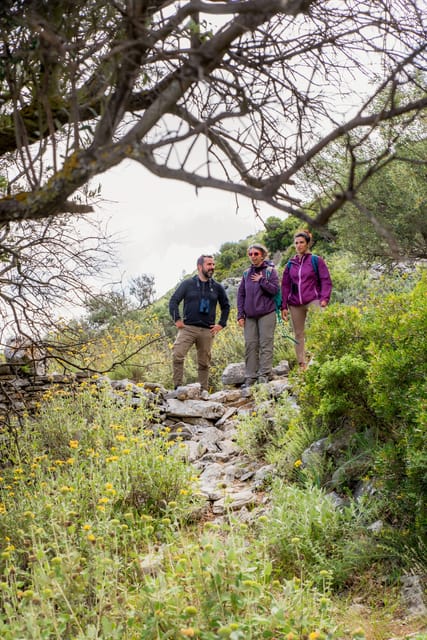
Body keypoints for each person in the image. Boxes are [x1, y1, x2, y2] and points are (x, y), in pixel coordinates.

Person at [169, 254, 230, 390]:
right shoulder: (187, 284)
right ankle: (178, 388)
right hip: (188, 328)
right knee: (177, 354)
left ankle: (203, 391)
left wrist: (221, 324)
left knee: (204, 363)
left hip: (207, 330)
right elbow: (173, 301)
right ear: (199, 266)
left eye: (213, 264)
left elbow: (226, 306)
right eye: (209, 264)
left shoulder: (217, 287)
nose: (212, 267)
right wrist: (177, 319)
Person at [281, 230, 332, 370]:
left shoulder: (316, 260)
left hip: (314, 299)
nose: (298, 245)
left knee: (321, 328)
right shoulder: (290, 264)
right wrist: (283, 306)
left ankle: (321, 358)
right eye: (296, 243)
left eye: (301, 242)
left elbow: (326, 280)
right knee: (298, 333)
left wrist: (324, 298)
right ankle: (302, 364)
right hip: (295, 303)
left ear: (307, 243)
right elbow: (285, 285)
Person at [237, 243, 280, 386]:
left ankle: (264, 375)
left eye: (256, 254)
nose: (253, 256)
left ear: (262, 255)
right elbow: (241, 294)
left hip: (267, 313)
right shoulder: (246, 273)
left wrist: (262, 280)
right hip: (249, 316)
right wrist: (240, 315)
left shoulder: (270, 271)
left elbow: (274, 290)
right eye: (250, 254)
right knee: (250, 345)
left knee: (265, 344)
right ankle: (250, 377)